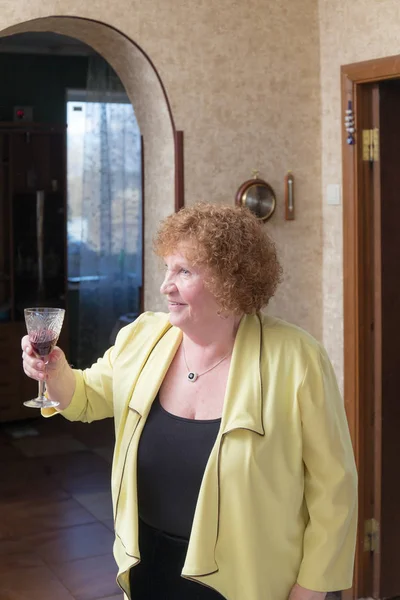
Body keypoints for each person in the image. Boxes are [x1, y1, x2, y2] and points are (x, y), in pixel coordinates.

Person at [21, 203, 358, 600]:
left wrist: (311, 589)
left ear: (231, 281)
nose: (166, 285)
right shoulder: (143, 336)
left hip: (253, 577)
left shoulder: (296, 358)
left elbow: (334, 487)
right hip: (150, 566)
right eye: (168, 268)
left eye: (184, 271)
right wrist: (55, 373)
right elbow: (87, 397)